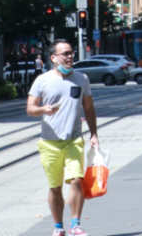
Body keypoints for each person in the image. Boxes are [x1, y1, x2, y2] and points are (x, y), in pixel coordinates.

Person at [27, 39, 100, 236]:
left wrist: (94, 133)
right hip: (49, 143)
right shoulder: (42, 80)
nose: (70, 57)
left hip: (73, 140)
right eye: (65, 54)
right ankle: (58, 227)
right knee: (55, 187)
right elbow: (30, 108)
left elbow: (89, 108)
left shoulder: (82, 79)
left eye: (71, 53)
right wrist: (43, 109)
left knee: (76, 180)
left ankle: (76, 224)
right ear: (53, 58)